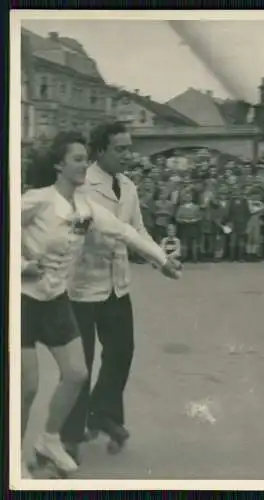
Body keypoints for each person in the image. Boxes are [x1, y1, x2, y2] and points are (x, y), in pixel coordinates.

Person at [21, 131, 181, 478]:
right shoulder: (54, 194)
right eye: (78, 159)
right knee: (44, 380)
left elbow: (128, 231)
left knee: (95, 366)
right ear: (62, 163)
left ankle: (69, 431)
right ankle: (41, 448)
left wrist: (162, 260)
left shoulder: (105, 199)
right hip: (48, 295)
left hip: (85, 292)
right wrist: (20, 265)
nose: (84, 165)